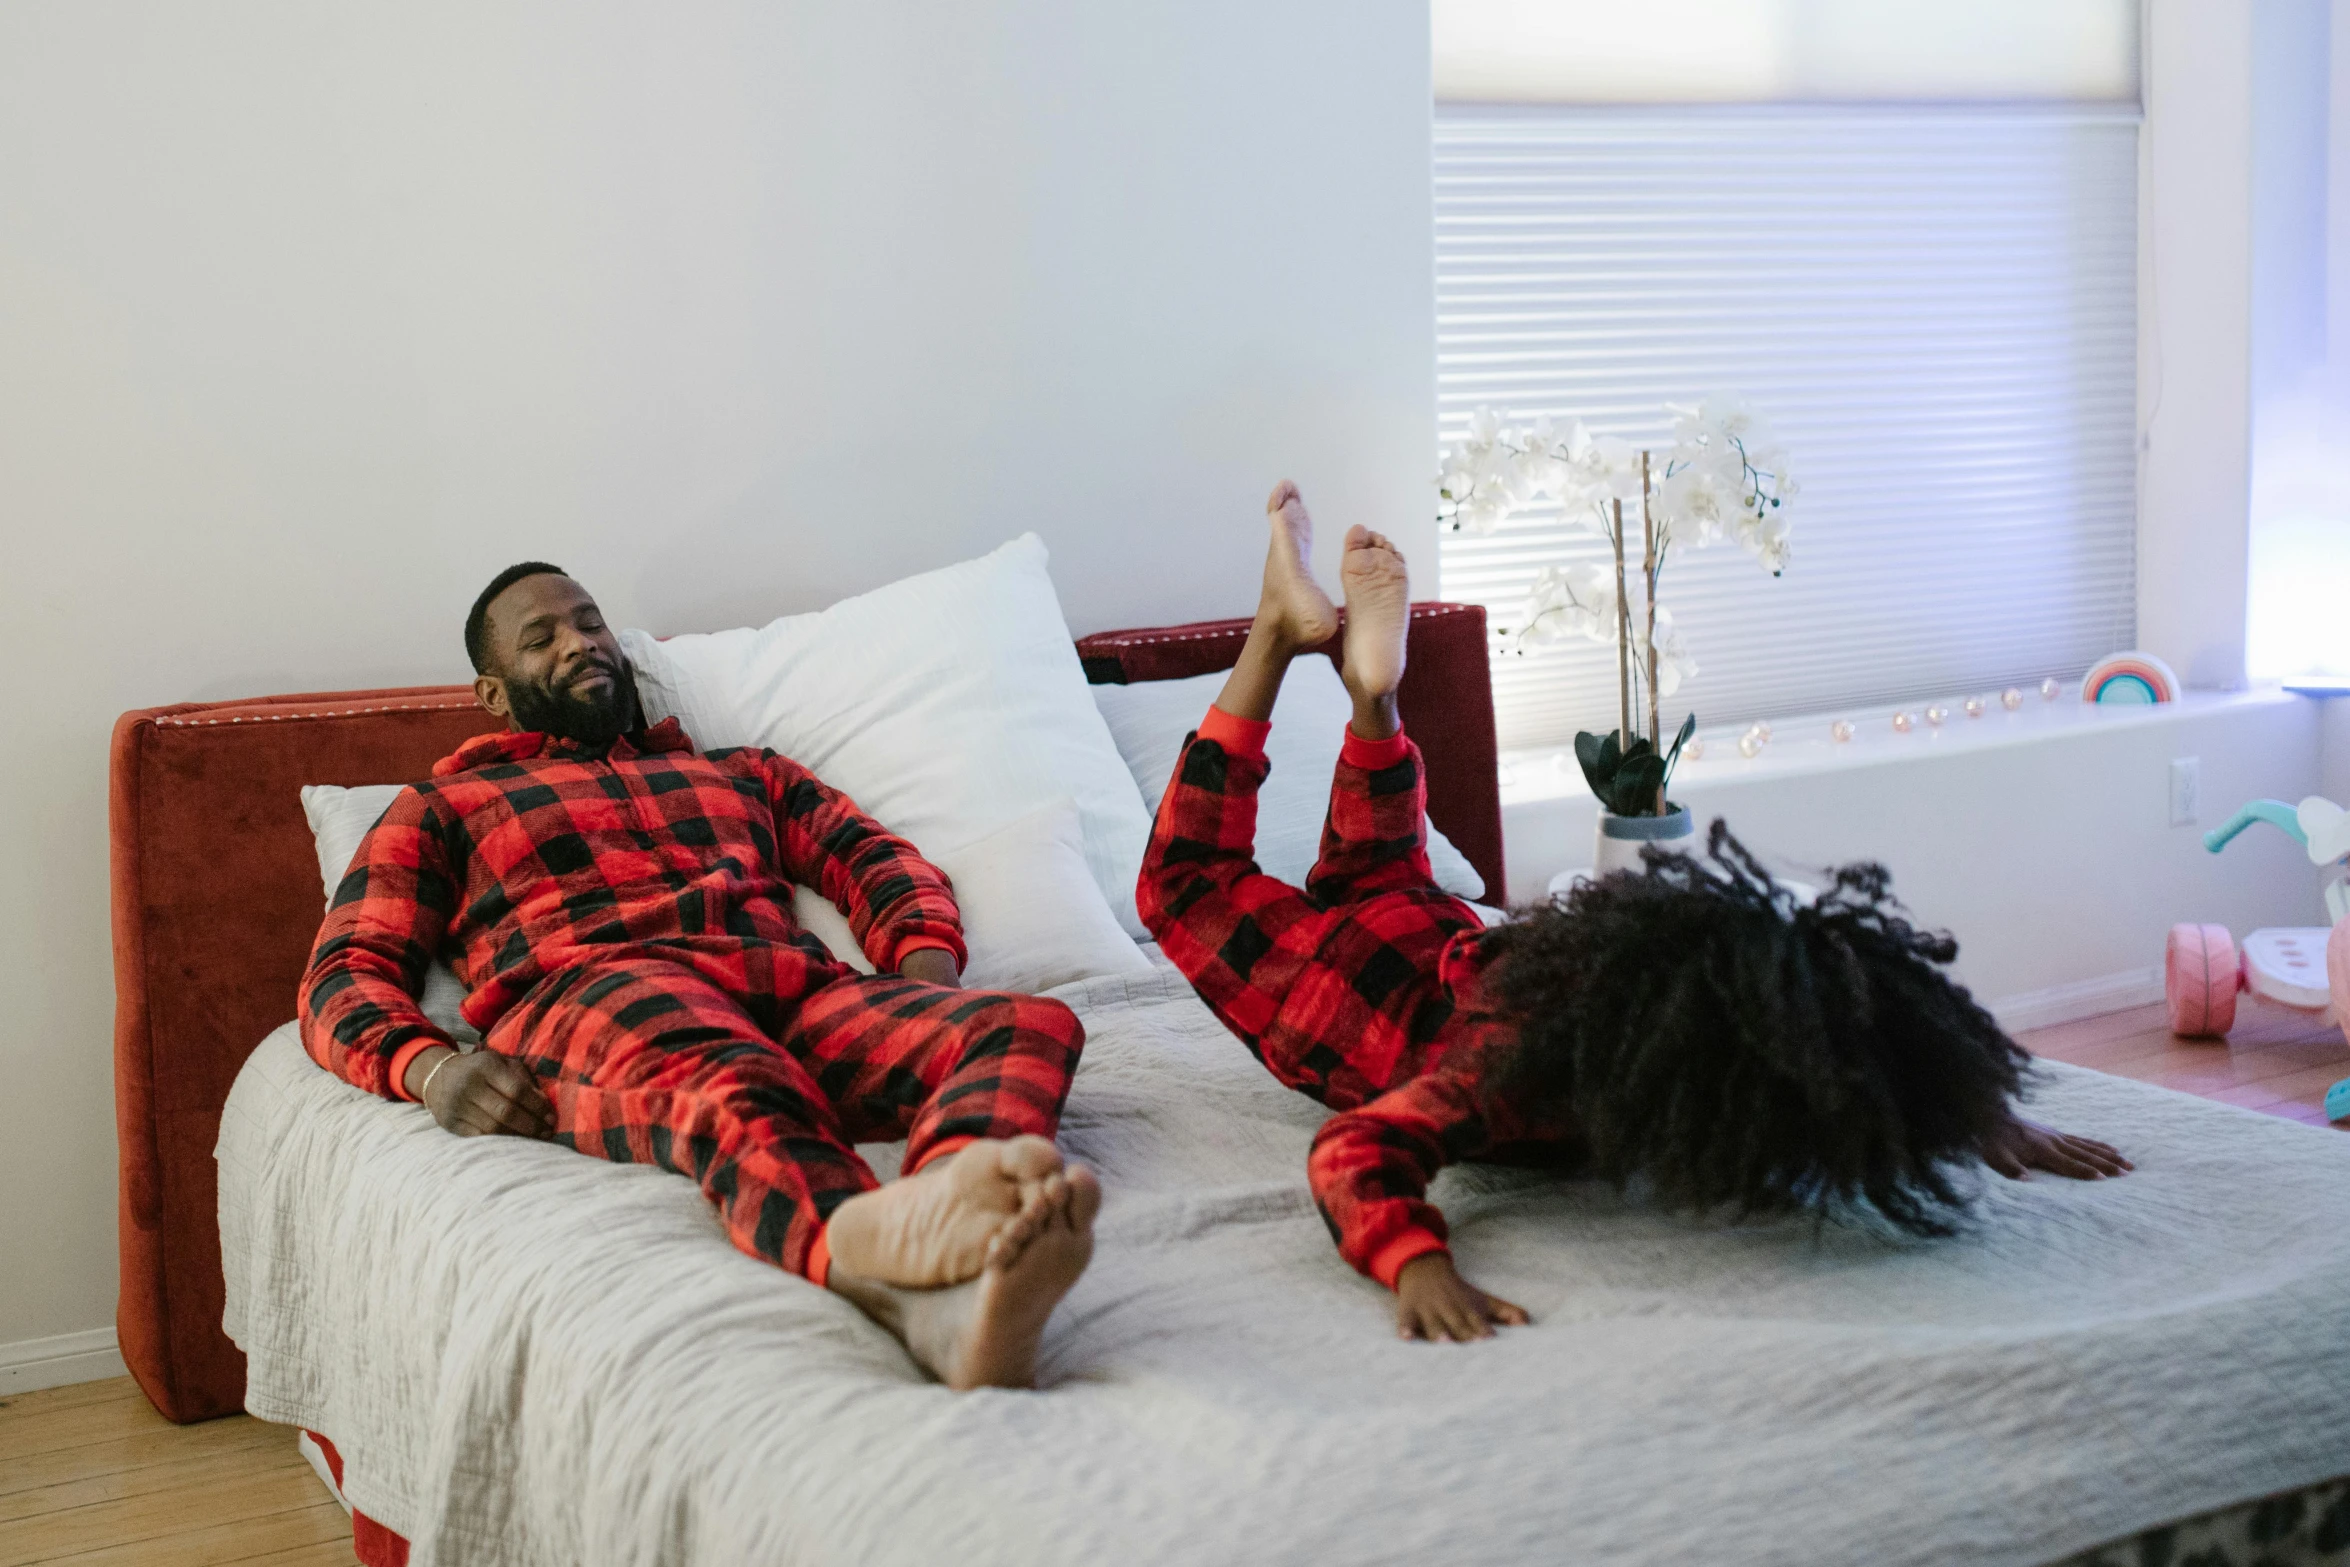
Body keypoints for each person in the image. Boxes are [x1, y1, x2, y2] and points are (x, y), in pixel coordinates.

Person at [1138, 483, 2133, 1344]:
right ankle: (1292, 645)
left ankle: (1372, 700)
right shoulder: (1520, 1077)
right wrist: (1415, 1261)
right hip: (1344, 987)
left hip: (1437, 932)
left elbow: (1843, 1023)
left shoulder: (1611, 982)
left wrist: (1968, 1110)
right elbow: (1355, 1150)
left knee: (1377, 873)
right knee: (1185, 880)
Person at [300, 563, 1097, 1390]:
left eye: (591, 622)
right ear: (494, 693)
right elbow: (342, 975)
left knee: (1026, 1025)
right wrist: (431, 1069)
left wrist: (922, 977)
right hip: (603, 994)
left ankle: (956, 1211)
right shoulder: (442, 806)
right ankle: (896, 1285)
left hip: (788, 986)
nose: (580, 643)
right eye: (542, 638)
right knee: (735, 1078)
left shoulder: (744, 772)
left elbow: (877, 859)